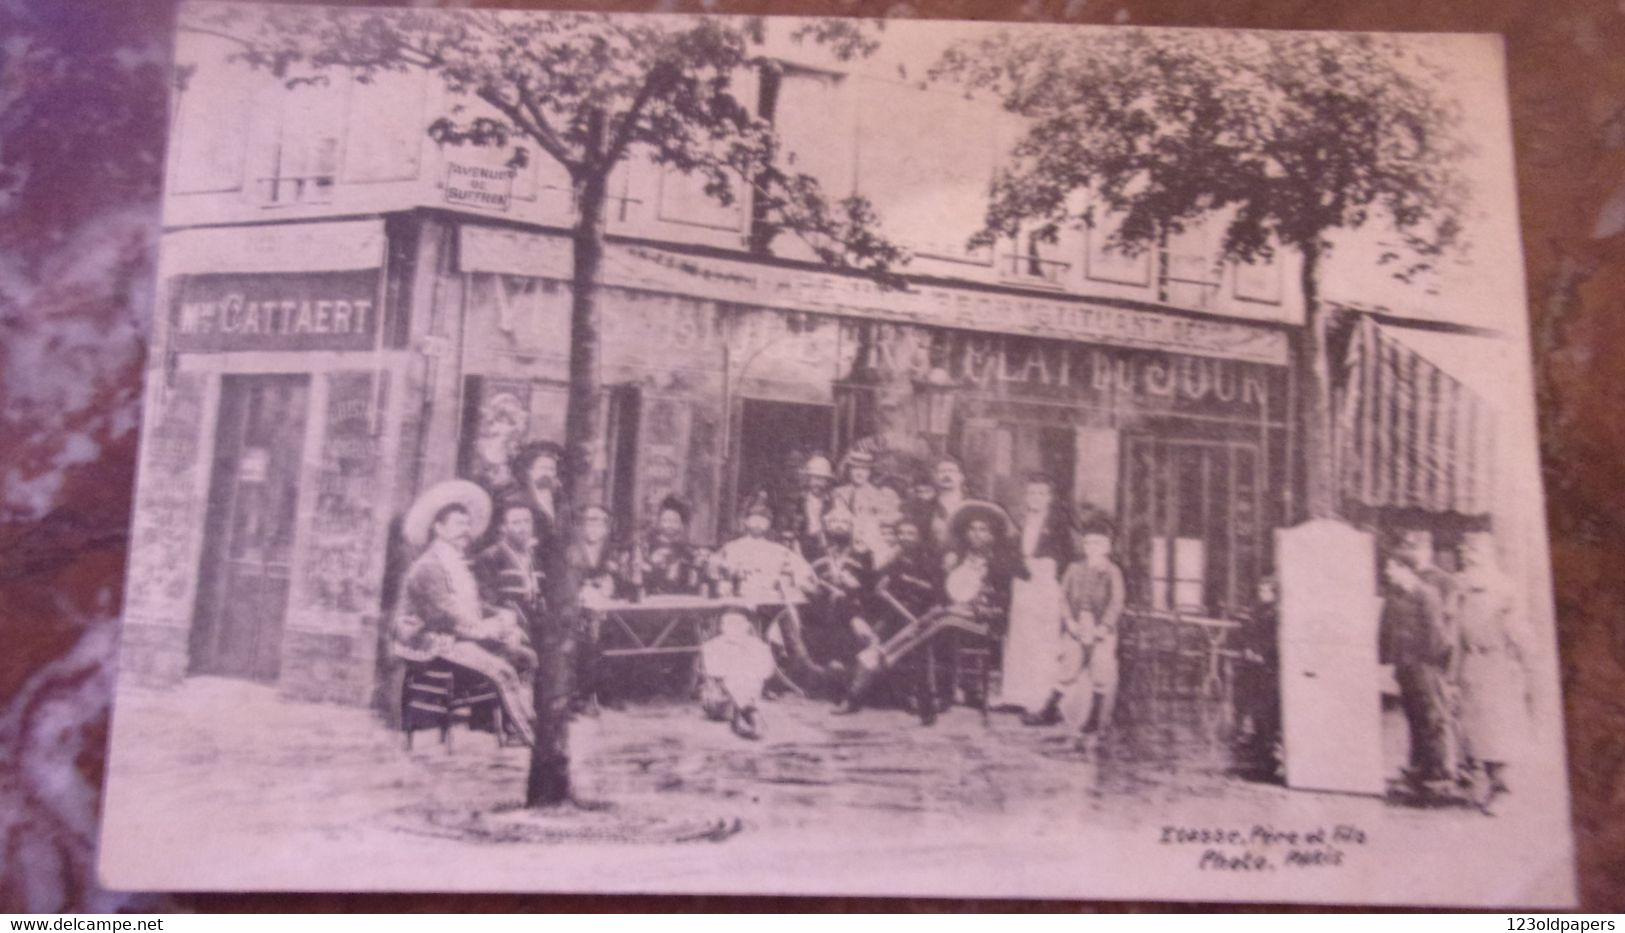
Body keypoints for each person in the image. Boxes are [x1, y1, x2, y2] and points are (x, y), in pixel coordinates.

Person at [839, 500, 1022, 718]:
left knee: (937, 622)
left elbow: (1001, 602)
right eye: (972, 529)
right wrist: (947, 578)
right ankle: (886, 664)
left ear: (992, 535)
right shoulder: (959, 559)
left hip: (984, 618)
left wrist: (966, 606)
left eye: (983, 530)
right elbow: (948, 592)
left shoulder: (999, 564)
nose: (976, 534)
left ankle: (882, 660)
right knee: (929, 620)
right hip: (955, 614)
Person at [396, 480, 536, 746]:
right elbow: (444, 615)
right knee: (502, 669)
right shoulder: (429, 566)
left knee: (525, 657)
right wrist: (487, 629)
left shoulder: (457, 562)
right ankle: (527, 735)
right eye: (458, 524)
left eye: (467, 524)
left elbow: (471, 604)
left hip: (459, 634)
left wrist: (503, 617)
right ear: (438, 528)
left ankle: (522, 722)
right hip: (431, 640)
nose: (466, 531)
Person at [1024, 511, 1125, 755]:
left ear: (1108, 546)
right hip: (1078, 623)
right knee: (1068, 665)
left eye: (1098, 543)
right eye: (1089, 542)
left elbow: (1116, 602)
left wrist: (1105, 627)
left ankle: (1094, 716)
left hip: (1101, 626)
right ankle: (1049, 709)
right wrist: (1069, 620)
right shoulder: (1074, 569)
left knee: (1101, 667)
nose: (1092, 547)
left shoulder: (1112, 572)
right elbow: (1063, 598)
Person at [710, 492, 824, 689]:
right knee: (740, 624)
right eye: (754, 519)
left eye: (763, 520)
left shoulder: (777, 549)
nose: (758, 524)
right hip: (741, 600)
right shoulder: (733, 547)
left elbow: (800, 569)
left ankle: (797, 668)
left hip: (770, 601)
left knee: (786, 618)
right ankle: (748, 676)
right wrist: (726, 579)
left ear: (769, 524)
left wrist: (799, 581)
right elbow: (716, 569)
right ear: (746, 522)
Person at [1453, 531, 1531, 813]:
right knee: (1472, 728)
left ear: (1488, 555)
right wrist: (1453, 674)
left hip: (1495, 664)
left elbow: (1518, 630)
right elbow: (1455, 633)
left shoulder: (1503, 588)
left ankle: (1500, 788)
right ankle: (1481, 782)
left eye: (1474, 553)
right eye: (1466, 553)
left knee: (1496, 729)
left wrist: (1523, 659)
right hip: (1471, 664)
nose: (1467, 558)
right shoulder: (1462, 585)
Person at [1381, 544, 1461, 800]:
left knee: (1432, 719)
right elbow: (1384, 632)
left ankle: (1438, 776)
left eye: (1391, 567)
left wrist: (1429, 666)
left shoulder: (1427, 595)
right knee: (1414, 718)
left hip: (1425, 667)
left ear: (1405, 569)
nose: (1387, 572)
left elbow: (1437, 636)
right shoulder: (1395, 597)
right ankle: (1418, 769)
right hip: (1404, 669)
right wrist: (1388, 661)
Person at [997, 474, 1074, 713]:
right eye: (1032, 493)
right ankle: (1015, 695)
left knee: (1043, 639)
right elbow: (1008, 550)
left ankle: (1039, 696)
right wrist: (1021, 566)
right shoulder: (1019, 521)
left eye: (1041, 493)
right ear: (1026, 496)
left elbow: (1066, 555)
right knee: (1020, 636)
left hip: (1046, 584)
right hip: (1023, 582)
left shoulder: (1059, 524)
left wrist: (1045, 566)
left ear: (1049, 497)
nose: (1036, 498)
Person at [472, 501, 549, 666]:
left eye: (527, 521)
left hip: (537, 632)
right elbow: (485, 602)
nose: (523, 528)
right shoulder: (490, 557)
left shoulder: (536, 558)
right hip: (508, 633)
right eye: (516, 522)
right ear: (503, 528)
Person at [807, 505, 876, 678]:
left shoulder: (862, 553)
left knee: (843, 607)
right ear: (827, 525)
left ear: (852, 526)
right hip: (820, 602)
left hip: (854, 602)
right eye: (834, 521)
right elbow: (807, 576)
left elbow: (870, 585)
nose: (839, 525)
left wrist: (855, 585)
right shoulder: (816, 550)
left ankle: (840, 663)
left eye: (844, 522)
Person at [698, 608, 778, 740]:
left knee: (749, 678)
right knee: (734, 678)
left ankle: (745, 716)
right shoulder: (711, 646)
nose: (734, 629)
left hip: (750, 694)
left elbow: (767, 672)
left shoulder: (758, 646)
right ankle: (752, 716)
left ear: (747, 626)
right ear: (722, 627)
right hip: (720, 700)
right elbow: (716, 672)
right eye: (730, 625)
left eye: (739, 625)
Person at [627, 494, 705, 597]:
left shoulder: (687, 549)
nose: (669, 525)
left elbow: (693, 582)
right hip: (650, 598)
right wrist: (651, 562)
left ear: (681, 525)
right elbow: (635, 574)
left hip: (679, 599)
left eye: (674, 521)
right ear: (658, 522)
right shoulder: (645, 545)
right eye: (666, 520)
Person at [830, 449, 902, 558]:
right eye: (855, 468)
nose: (859, 473)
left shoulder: (879, 495)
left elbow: (888, 519)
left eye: (864, 469)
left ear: (869, 472)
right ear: (849, 470)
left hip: (870, 548)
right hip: (844, 545)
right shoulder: (839, 493)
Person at [926, 457, 970, 550]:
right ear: (934, 477)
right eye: (941, 471)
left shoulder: (972, 505)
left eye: (951, 471)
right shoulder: (925, 507)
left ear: (961, 477)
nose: (946, 475)